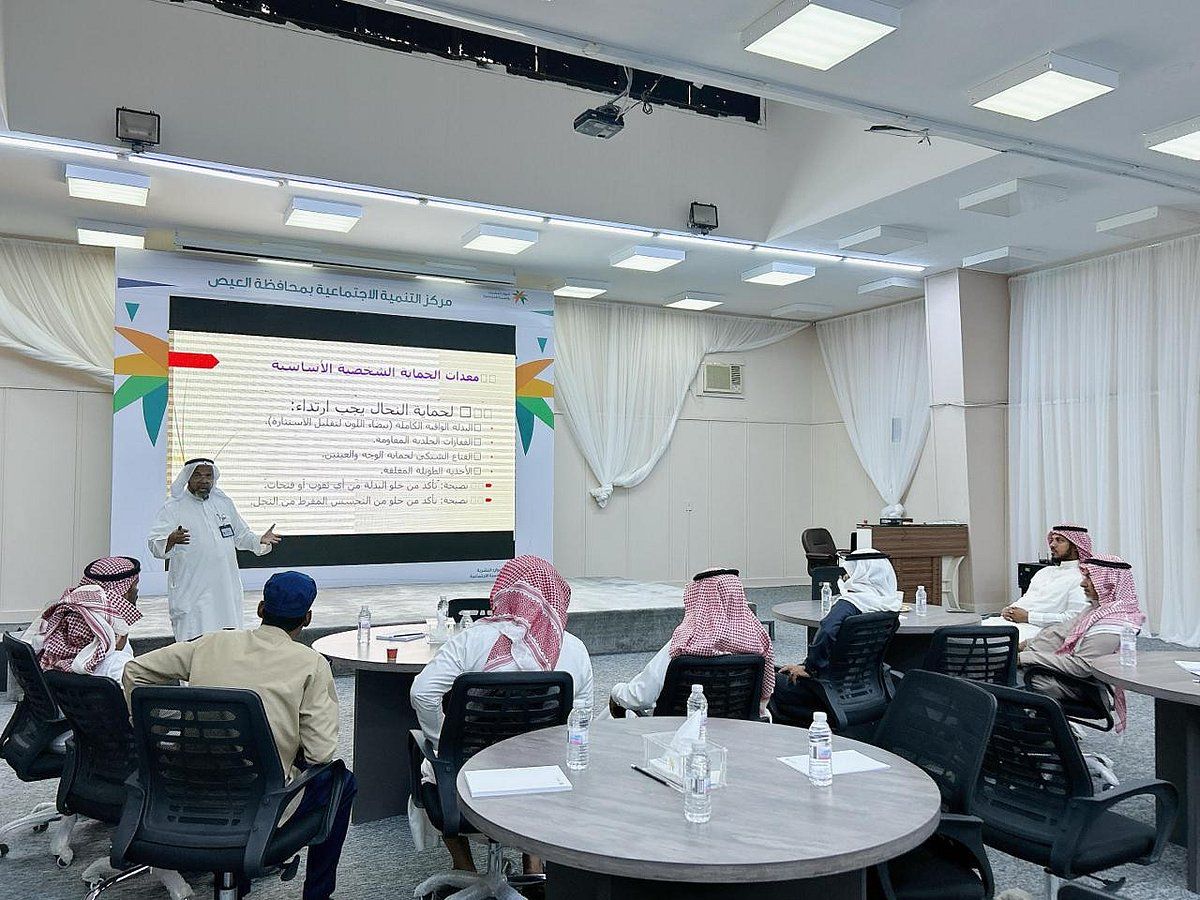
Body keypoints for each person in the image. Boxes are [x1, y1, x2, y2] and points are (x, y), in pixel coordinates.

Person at [122, 571, 353, 900]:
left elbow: (134, 671)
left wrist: (149, 731)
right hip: (258, 801)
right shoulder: (312, 664)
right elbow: (321, 753)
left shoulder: (211, 643)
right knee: (341, 781)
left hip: (182, 787)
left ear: (260, 609)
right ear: (307, 619)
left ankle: (236, 882)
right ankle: (316, 895)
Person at [410, 555, 593, 874]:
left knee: (430, 763)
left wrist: (444, 741)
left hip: (470, 772)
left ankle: (464, 867)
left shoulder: (472, 640)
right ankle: (533, 864)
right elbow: (582, 719)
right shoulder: (574, 649)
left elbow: (422, 693)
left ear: (504, 591)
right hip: (544, 776)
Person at [609, 567, 774, 718]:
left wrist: (616, 691)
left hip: (679, 730)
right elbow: (763, 701)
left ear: (700, 599)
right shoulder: (759, 642)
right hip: (741, 731)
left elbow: (640, 697)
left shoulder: (684, 644)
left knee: (612, 713)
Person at [147, 457, 281, 641]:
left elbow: (241, 535)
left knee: (228, 641)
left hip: (225, 590)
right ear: (187, 477)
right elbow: (154, 543)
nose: (204, 480)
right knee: (195, 644)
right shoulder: (174, 507)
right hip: (193, 592)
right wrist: (170, 540)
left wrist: (260, 540)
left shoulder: (223, 503)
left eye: (208, 475)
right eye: (198, 475)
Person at [770, 549, 902, 725]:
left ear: (860, 573)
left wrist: (810, 668)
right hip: (869, 687)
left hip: (826, 690)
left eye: (850, 571)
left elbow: (826, 632)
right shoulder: (889, 604)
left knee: (768, 678)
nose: (846, 576)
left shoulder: (849, 605)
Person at [1019, 554, 1144, 732]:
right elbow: (1061, 633)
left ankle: (1036, 732)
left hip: (1078, 685)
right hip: (1059, 672)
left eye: (1089, 578)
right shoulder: (1097, 609)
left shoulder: (1114, 624)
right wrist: (1024, 645)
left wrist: (1025, 658)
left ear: (1109, 584)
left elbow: (1081, 666)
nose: (1083, 584)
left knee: (1006, 681)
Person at [23, 556, 143, 681]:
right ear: (123, 592)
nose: (137, 591)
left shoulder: (54, 663)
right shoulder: (118, 665)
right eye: (135, 585)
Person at [987, 523, 1093, 642]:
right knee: (973, 629)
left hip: (1039, 631)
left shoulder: (1082, 578)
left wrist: (1029, 617)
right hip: (1009, 623)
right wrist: (1010, 609)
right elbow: (1029, 599)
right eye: (1052, 540)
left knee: (981, 639)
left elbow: (1073, 619)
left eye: (1059, 540)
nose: (1052, 545)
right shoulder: (1044, 572)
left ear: (1075, 546)